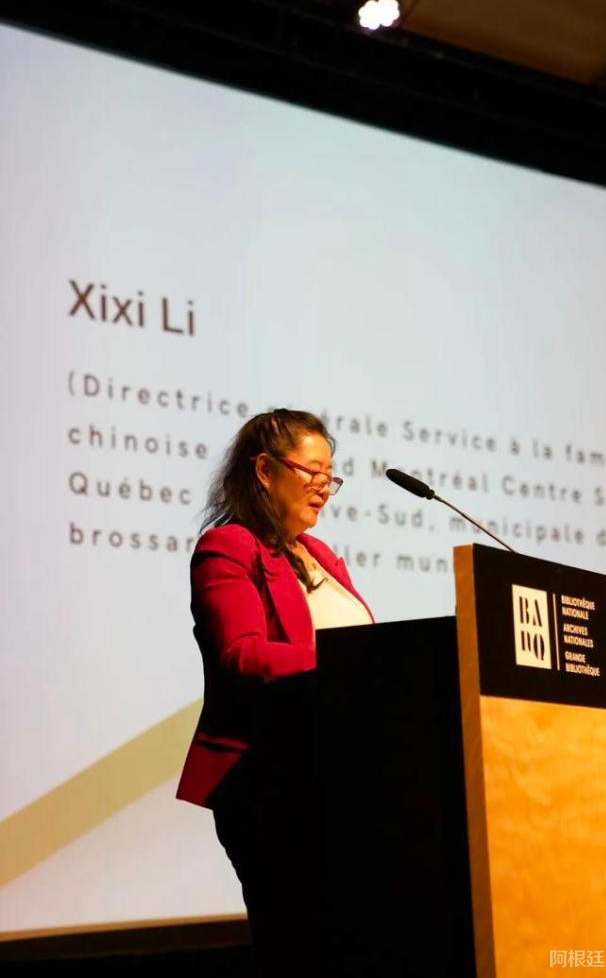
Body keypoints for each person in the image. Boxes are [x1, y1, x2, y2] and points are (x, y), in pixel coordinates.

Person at [176, 408, 374, 976]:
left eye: (331, 476)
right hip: (270, 781)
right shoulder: (228, 547)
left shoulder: (323, 556)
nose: (324, 487)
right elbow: (240, 654)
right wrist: (352, 664)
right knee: (299, 945)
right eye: (312, 471)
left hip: (341, 778)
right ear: (264, 470)